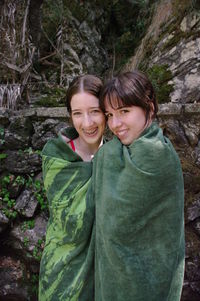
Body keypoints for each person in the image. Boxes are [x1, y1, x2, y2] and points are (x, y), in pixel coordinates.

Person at [92, 70, 185, 301]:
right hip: (112, 275)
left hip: (148, 280)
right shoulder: (118, 153)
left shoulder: (158, 156)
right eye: (109, 114)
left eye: (124, 111)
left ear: (149, 108)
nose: (115, 124)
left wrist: (105, 153)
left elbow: (119, 224)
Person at [39, 74, 106, 301]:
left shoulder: (119, 154)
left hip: (107, 273)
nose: (87, 123)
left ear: (106, 110)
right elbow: (69, 221)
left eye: (94, 111)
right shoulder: (57, 156)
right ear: (70, 116)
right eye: (77, 113)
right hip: (62, 268)